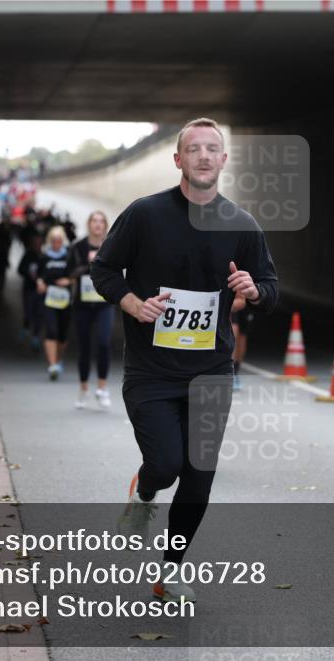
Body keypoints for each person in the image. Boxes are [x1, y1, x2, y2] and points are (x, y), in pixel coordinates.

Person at [91, 118, 278, 603]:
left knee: (199, 477)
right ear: (178, 160)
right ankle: (146, 489)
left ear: (223, 160)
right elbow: (103, 268)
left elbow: (271, 288)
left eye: (211, 149)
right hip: (151, 370)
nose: (202, 156)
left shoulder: (241, 224)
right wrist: (133, 303)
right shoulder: (145, 215)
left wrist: (253, 290)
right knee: (167, 464)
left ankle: (170, 570)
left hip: (212, 371)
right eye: (192, 148)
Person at [67, 211, 116, 409]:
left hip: (104, 303)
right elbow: (69, 273)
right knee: (84, 346)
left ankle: (102, 388)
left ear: (105, 225)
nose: (97, 225)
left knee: (104, 343)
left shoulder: (111, 245)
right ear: (89, 225)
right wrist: (86, 264)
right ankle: (84, 388)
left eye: (101, 221)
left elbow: (117, 271)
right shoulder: (78, 246)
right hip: (82, 304)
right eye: (94, 221)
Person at [36, 226, 72, 380]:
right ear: (50, 241)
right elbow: (38, 275)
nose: (56, 243)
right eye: (53, 240)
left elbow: (77, 273)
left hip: (65, 300)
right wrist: (40, 283)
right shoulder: (44, 257)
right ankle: (52, 365)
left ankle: (58, 359)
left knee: (62, 334)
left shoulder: (69, 256)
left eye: (59, 240)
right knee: (51, 330)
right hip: (49, 299)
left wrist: (69, 280)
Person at [16, 232, 45, 350]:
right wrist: (29, 274)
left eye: (39, 242)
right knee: (28, 311)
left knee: (39, 314)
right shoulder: (28, 255)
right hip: (29, 289)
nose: (38, 244)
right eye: (36, 242)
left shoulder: (44, 256)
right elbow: (20, 269)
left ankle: (36, 337)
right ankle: (26, 326)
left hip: (41, 290)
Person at [229, 294, 255, 392]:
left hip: (246, 296)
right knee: (233, 331)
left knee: (242, 336)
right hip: (232, 297)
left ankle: (235, 372)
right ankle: (230, 373)